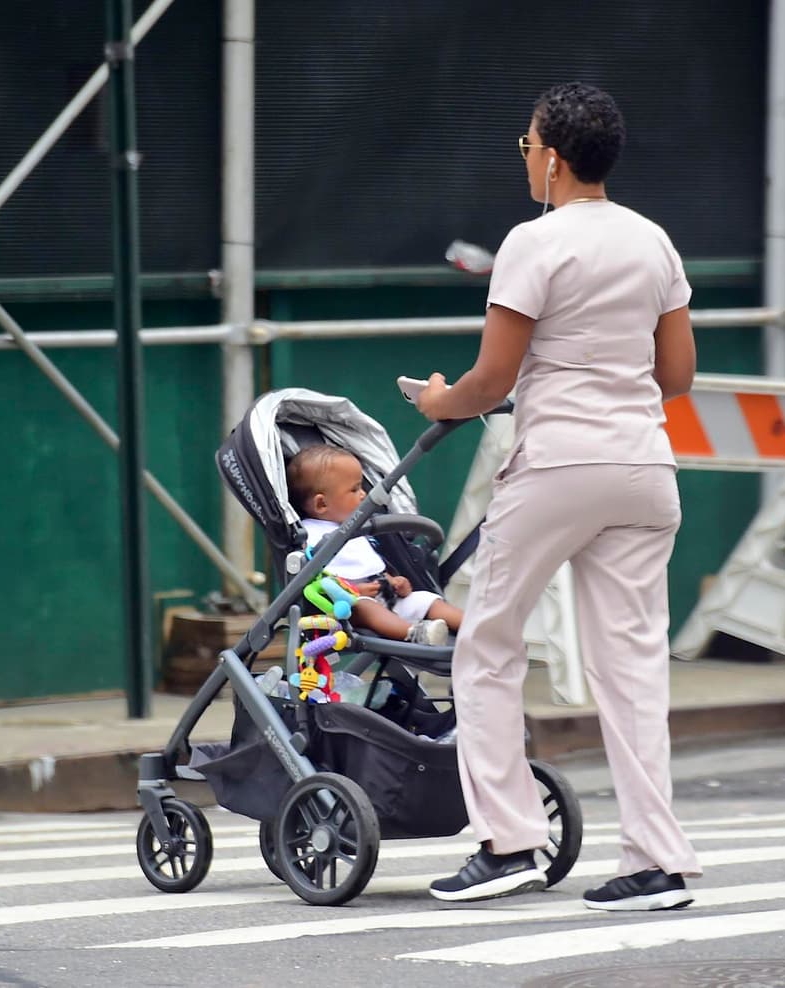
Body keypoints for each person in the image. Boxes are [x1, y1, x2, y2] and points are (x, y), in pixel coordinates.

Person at [418, 82, 701, 909]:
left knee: (487, 644)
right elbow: (676, 376)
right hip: (645, 470)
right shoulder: (655, 242)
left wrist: (438, 400)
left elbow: (491, 381)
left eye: (526, 144)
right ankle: (657, 862)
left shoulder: (533, 243)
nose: (526, 155)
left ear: (555, 158)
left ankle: (509, 843)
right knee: (635, 671)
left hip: (556, 470)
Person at [287, 443, 463, 646]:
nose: (364, 494)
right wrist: (354, 591)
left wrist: (394, 581)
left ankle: (473, 627)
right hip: (348, 607)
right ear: (321, 504)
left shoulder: (357, 528)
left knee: (427, 599)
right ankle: (414, 633)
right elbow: (318, 582)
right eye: (354, 489)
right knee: (365, 608)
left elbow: (371, 566)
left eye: (361, 486)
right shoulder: (311, 534)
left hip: (387, 599)